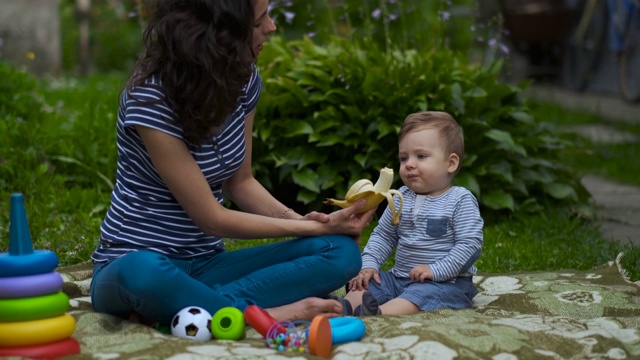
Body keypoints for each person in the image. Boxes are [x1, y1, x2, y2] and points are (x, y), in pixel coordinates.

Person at [89, 0, 376, 327]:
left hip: (208, 267)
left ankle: (185, 308)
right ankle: (265, 314)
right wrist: (309, 226)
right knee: (140, 271)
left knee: (338, 251)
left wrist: (313, 227)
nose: (271, 27)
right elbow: (211, 218)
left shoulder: (243, 79)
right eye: (258, 21)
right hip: (133, 265)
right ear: (218, 34)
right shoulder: (150, 98)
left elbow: (241, 182)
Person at [342, 111, 483, 316]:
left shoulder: (460, 200)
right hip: (399, 277)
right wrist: (369, 265)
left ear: (450, 163)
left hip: (445, 282)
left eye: (421, 156)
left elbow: (470, 245)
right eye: (403, 157)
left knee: (420, 295)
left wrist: (436, 270)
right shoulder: (400, 196)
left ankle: (378, 313)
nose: (409, 164)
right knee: (364, 284)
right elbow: (384, 235)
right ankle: (344, 306)